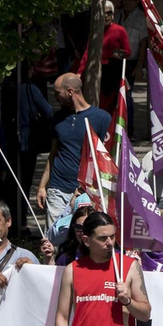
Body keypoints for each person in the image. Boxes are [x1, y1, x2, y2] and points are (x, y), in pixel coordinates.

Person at [37, 73, 111, 222]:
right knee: (54, 238)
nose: (55, 97)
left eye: (58, 93)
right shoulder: (57, 119)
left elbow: (107, 159)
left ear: (70, 92)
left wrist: (89, 188)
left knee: (84, 234)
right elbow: (53, 154)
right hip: (57, 188)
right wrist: (42, 186)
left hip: (86, 191)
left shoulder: (102, 118)